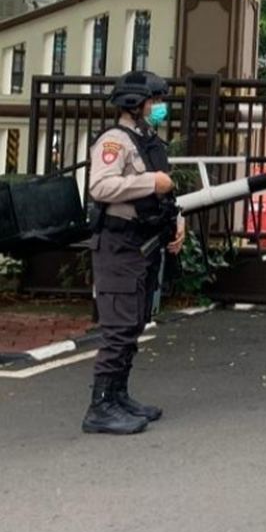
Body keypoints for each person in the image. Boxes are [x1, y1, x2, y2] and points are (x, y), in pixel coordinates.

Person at [81, 71, 185, 435]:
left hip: (142, 245)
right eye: (154, 101)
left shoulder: (149, 140)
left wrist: (178, 222)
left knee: (135, 321)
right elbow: (100, 185)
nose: (159, 107)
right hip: (118, 244)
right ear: (135, 104)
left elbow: (164, 191)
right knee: (119, 327)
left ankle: (118, 396)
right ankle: (100, 407)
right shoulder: (115, 141)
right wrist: (150, 182)